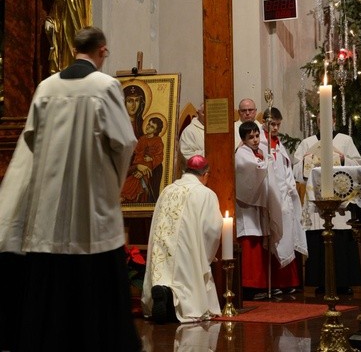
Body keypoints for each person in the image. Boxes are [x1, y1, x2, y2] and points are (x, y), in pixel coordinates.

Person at [0, 27, 141, 352]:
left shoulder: (46, 87)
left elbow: (32, 138)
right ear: (101, 51)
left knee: (51, 300)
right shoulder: (105, 87)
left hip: (48, 215)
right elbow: (124, 143)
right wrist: (112, 185)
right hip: (92, 213)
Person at [142, 155, 223, 324]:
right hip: (188, 250)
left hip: (161, 248)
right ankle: (171, 298)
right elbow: (212, 230)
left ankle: (163, 291)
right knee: (190, 294)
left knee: (165, 275)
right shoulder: (206, 193)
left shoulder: (167, 190)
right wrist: (206, 257)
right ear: (205, 174)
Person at [293, 112, 361, 295]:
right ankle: (319, 282)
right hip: (316, 200)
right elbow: (295, 171)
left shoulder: (345, 140)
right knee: (318, 238)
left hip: (339, 198)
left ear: (333, 121)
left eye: (328, 120)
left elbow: (357, 164)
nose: (323, 123)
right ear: (317, 123)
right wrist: (305, 161)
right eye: (320, 120)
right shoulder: (307, 143)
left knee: (340, 238)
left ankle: (344, 282)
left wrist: (341, 159)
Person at [259, 107, 308, 295]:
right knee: (276, 235)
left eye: (278, 124)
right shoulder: (262, 144)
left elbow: (286, 170)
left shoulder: (279, 144)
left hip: (285, 196)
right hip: (271, 196)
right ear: (265, 122)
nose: (276, 128)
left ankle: (288, 281)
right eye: (272, 124)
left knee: (287, 234)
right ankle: (276, 282)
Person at [235, 121, 284, 300]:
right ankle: (250, 286)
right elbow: (249, 170)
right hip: (247, 207)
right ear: (243, 139)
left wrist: (266, 160)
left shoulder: (258, 152)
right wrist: (266, 163)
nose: (255, 140)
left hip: (259, 205)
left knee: (260, 242)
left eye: (257, 136)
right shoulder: (241, 153)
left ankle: (261, 284)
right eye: (251, 137)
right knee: (251, 244)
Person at [121, 115, 165, 203]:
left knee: (135, 182)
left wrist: (151, 159)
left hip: (150, 169)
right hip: (138, 166)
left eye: (152, 127)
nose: (148, 127)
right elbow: (137, 153)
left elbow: (159, 157)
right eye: (149, 124)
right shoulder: (142, 139)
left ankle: (125, 197)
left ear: (156, 130)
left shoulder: (158, 141)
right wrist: (138, 166)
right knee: (130, 181)